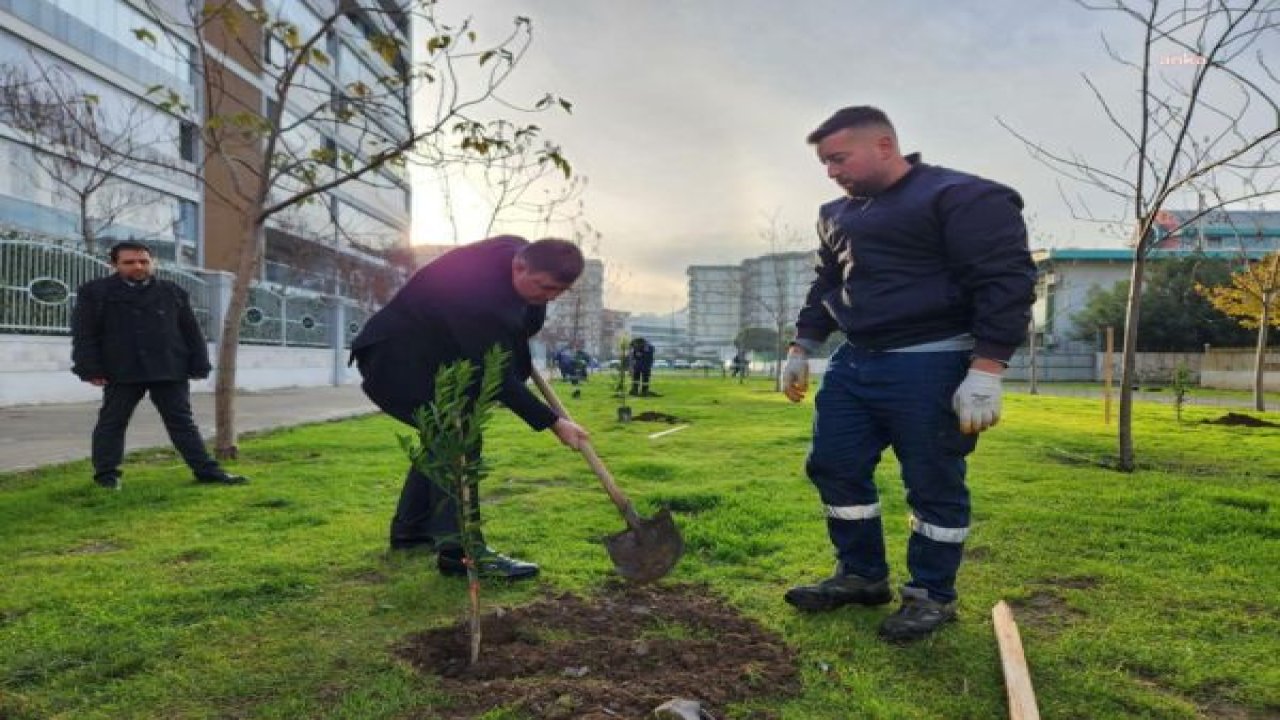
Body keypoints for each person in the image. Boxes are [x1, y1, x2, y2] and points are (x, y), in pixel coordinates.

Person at [781, 106, 1035, 643]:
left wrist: (987, 368)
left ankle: (930, 595)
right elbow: (826, 283)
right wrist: (802, 346)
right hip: (855, 362)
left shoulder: (963, 197)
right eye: (824, 162)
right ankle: (861, 575)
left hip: (932, 361)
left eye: (838, 158)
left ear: (885, 145)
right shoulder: (835, 214)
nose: (831, 172)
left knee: (933, 479)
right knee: (834, 465)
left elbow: (1006, 282)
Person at [351, 235, 591, 580]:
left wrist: (531, 309)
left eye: (557, 292)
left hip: (437, 356)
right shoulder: (477, 298)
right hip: (396, 361)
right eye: (543, 288)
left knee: (443, 437)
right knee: (457, 436)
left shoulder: (517, 250)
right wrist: (553, 422)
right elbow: (494, 375)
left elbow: (524, 324)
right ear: (519, 266)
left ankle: (411, 532)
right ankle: (460, 553)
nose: (548, 297)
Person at [71, 241, 248, 490]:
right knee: (112, 422)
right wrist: (89, 367)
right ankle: (106, 476)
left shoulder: (172, 291)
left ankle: (207, 471)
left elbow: (191, 331)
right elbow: (84, 333)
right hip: (121, 369)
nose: (138, 266)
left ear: (153, 262)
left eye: (144, 261)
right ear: (114, 265)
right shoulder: (95, 292)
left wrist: (199, 363)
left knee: (182, 422)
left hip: (168, 367)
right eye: (129, 262)